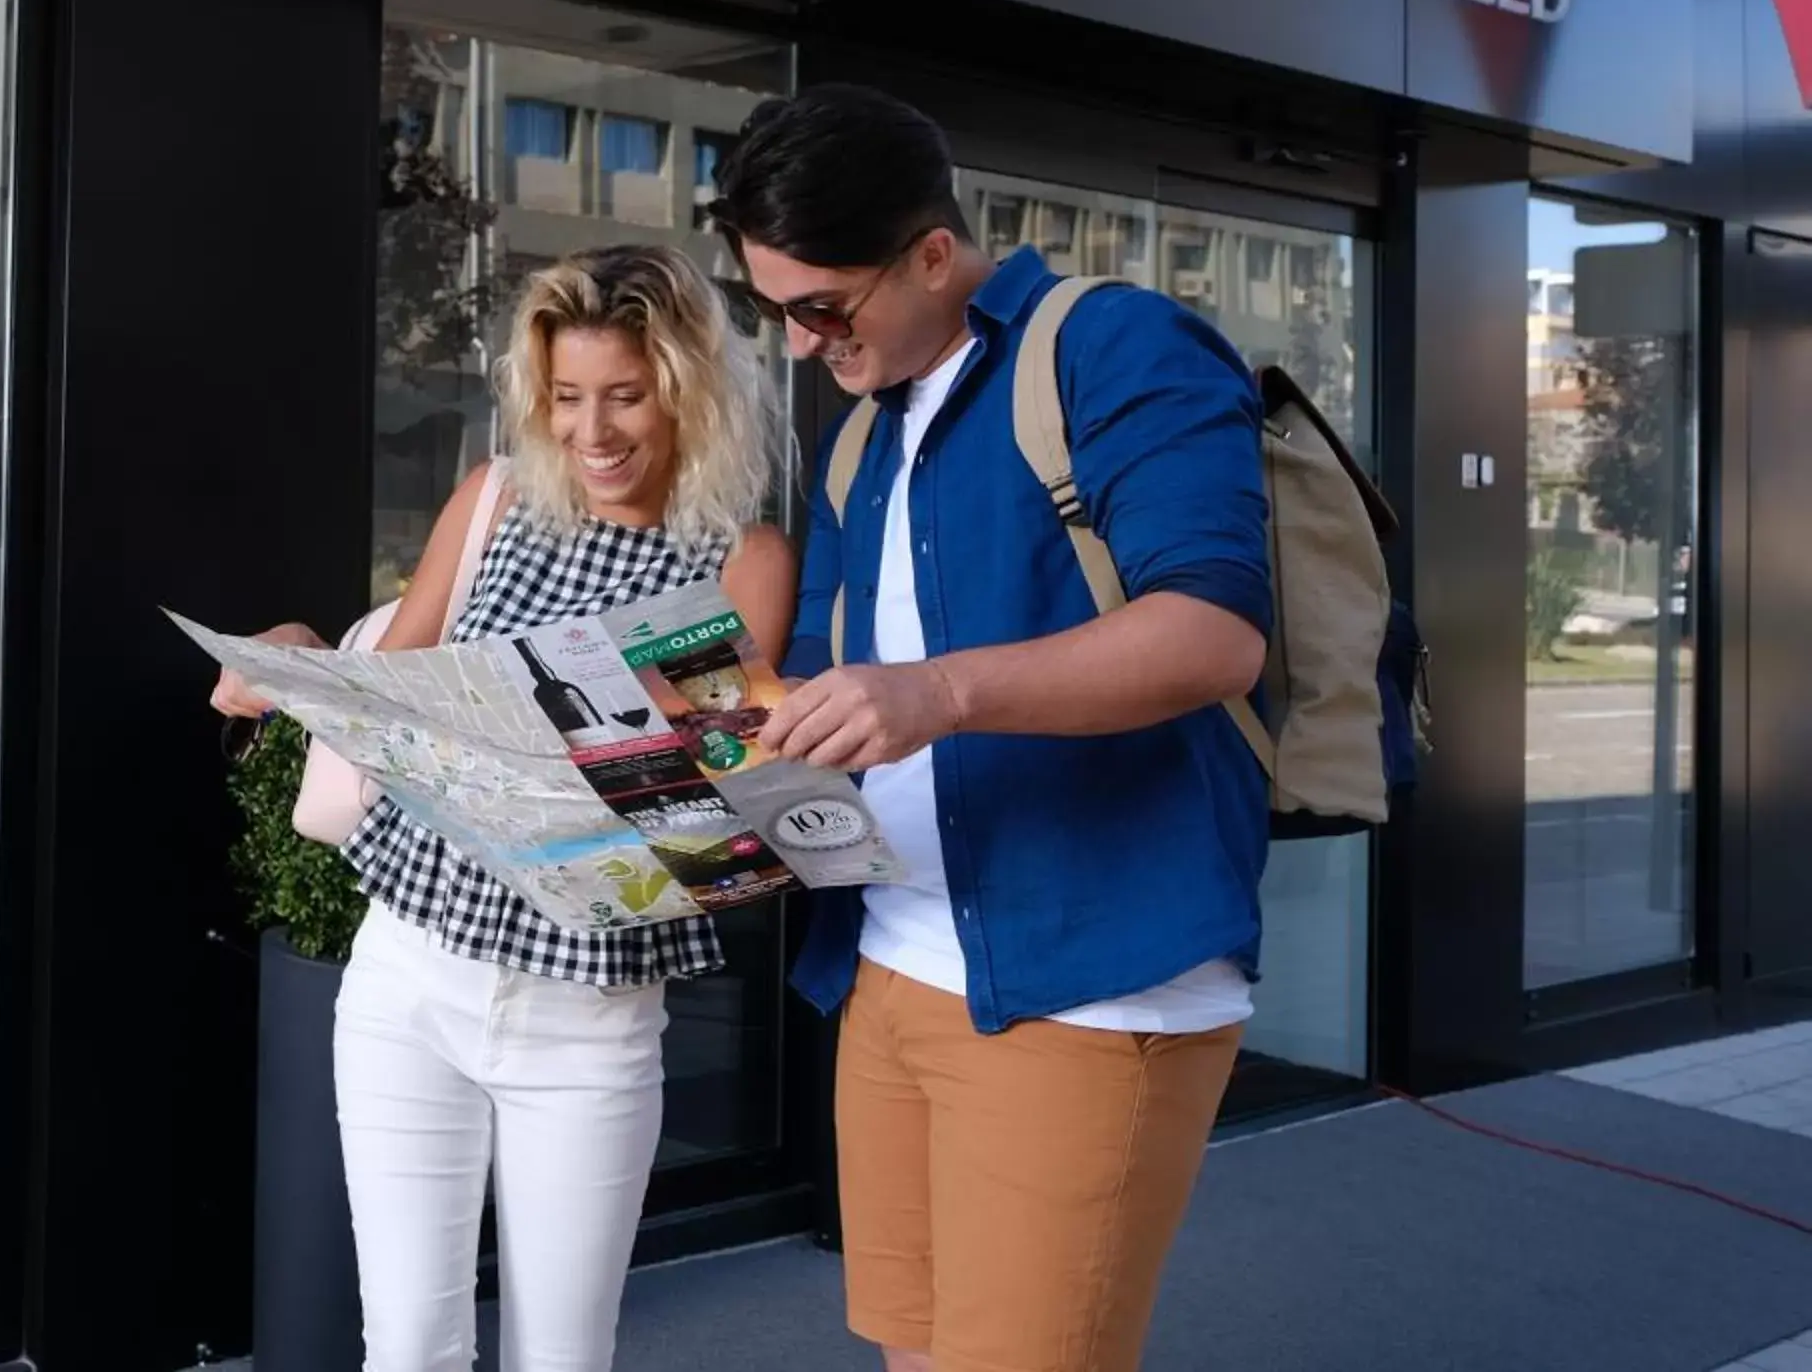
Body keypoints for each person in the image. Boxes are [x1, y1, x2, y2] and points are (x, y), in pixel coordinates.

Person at [707, 87, 1273, 1372]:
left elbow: (1212, 631)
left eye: (821, 308)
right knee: (913, 1351)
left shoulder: (1112, 347)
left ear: (932, 255)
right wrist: (687, 777)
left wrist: (937, 693)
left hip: (1086, 977)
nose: (799, 345)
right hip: (892, 964)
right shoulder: (864, 434)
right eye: (777, 311)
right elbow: (808, 691)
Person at [209, 244, 795, 1372]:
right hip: (410, 970)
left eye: (626, 395)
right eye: (568, 398)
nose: (593, 432)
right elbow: (394, 679)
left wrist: (637, 740)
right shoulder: (494, 501)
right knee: (406, 1351)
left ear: (687, 389)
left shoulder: (739, 560)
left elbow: (709, 805)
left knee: (561, 1361)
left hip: (584, 1015)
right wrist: (293, 662)